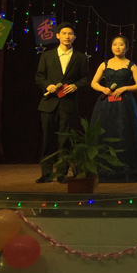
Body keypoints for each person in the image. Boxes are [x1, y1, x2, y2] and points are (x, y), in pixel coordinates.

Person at [35, 21, 91, 183]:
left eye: (70, 34)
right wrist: (48, 85)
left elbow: (86, 78)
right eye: (64, 33)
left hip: (68, 104)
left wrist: (75, 85)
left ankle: (61, 174)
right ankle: (46, 174)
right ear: (58, 35)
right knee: (47, 139)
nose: (67, 36)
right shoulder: (47, 56)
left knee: (65, 140)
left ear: (74, 37)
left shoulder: (80, 57)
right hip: (49, 103)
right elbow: (39, 76)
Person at [89, 36, 137, 183]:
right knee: (105, 133)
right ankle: (102, 169)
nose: (118, 47)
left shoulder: (131, 65)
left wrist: (125, 88)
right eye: (115, 44)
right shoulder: (105, 64)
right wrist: (103, 89)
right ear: (111, 47)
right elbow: (94, 83)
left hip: (125, 104)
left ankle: (125, 170)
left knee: (124, 132)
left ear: (127, 48)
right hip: (106, 103)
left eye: (121, 45)